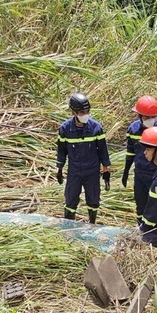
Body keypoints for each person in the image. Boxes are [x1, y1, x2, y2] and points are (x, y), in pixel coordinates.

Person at [56, 93, 111, 223]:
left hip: (92, 170)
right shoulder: (65, 129)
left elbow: (103, 150)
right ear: (73, 112)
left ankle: (92, 223)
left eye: (87, 111)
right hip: (74, 170)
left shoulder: (96, 128)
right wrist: (59, 169)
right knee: (70, 198)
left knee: (93, 199)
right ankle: (69, 225)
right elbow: (62, 151)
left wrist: (106, 171)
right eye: (82, 112)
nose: (85, 114)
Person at [121, 95, 157, 224]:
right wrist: (126, 171)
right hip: (140, 174)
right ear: (139, 115)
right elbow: (130, 152)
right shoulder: (133, 129)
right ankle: (141, 230)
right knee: (141, 206)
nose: (149, 120)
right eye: (146, 117)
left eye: (152, 117)